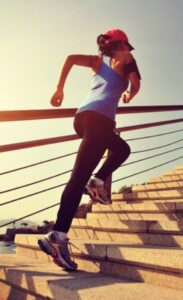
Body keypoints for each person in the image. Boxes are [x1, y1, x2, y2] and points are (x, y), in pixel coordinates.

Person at [37, 29, 141, 271]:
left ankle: (96, 182)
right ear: (123, 44)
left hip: (82, 118)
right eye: (126, 45)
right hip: (99, 121)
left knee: (122, 149)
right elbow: (135, 84)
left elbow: (71, 58)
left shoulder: (98, 62)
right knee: (78, 178)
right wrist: (130, 94)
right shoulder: (127, 60)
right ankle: (57, 237)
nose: (129, 50)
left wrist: (59, 88)